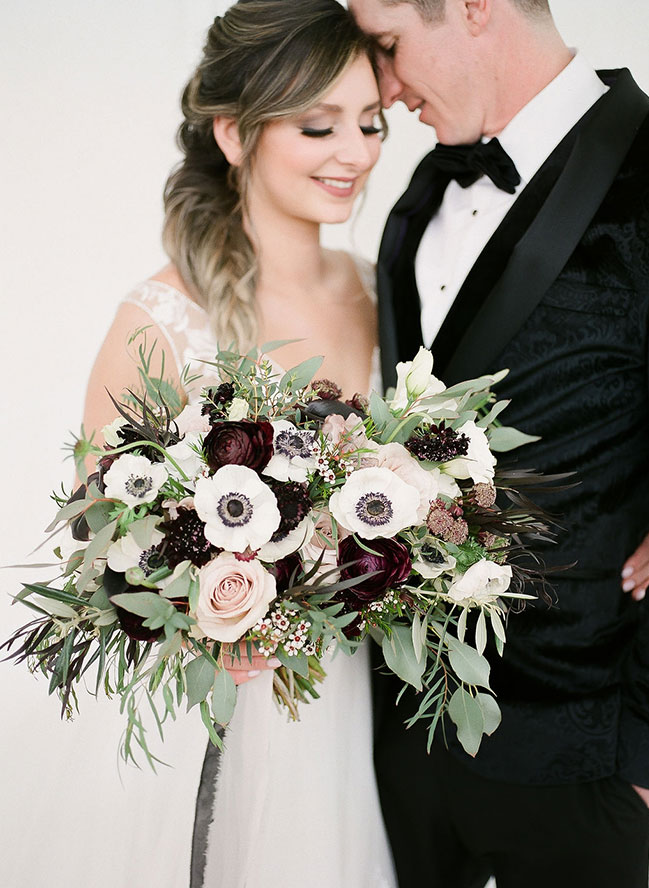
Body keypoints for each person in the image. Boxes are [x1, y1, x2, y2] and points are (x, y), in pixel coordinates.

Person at [82, 2, 397, 886]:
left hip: (364, 715)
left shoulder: (385, 294)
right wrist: (200, 618)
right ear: (233, 133)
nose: (359, 153)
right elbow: (98, 533)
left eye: (370, 123)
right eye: (318, 125)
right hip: (228, 717)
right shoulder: (163, 317)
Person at [347, 0, 649, 886]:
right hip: (404, 734)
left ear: (475, 8)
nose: (387, 87)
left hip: (582, 755)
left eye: (390, 47)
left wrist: (639, 763)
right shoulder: (422, 190)